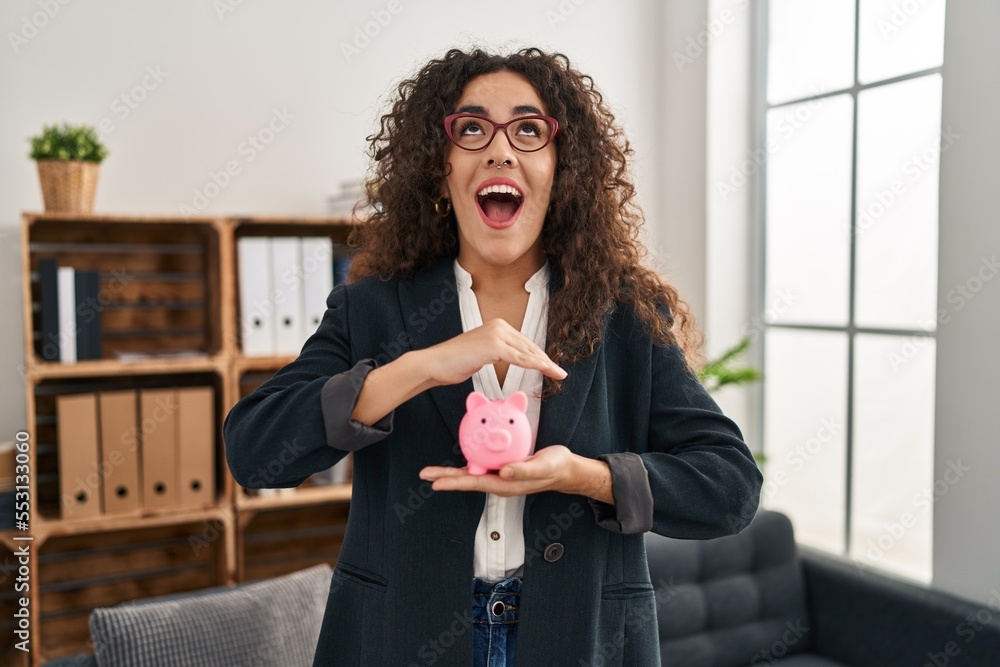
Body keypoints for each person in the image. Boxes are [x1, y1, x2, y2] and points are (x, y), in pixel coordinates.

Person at [223, 46, 763, 667]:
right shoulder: (370, 307)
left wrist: (584, 475)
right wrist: (419, 367)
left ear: (564, 169)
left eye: (530, 130)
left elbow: (730, 487)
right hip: (402, 638)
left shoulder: (626, 315)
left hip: (581, 639)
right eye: (472, 128)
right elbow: (255, 452)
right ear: (440, 164)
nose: (500, 150)